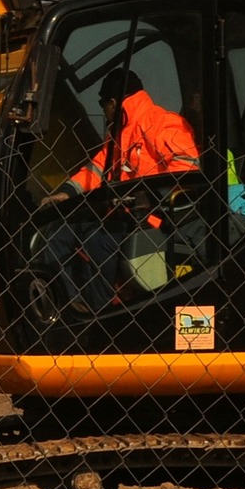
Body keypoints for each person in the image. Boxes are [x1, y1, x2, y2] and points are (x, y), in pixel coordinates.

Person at [37, 69, 202, 312]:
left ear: (112, 103)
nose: (104, 111)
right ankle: (68, 304)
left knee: (97, 240)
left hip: (155, 218)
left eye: (103, 105)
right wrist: (68, 192)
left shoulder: (162, 122)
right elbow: (96, 168)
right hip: (122, 215)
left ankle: (102, 312)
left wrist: (148, 196)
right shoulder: (120, 133)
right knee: (58, 232)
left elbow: (187, 169)